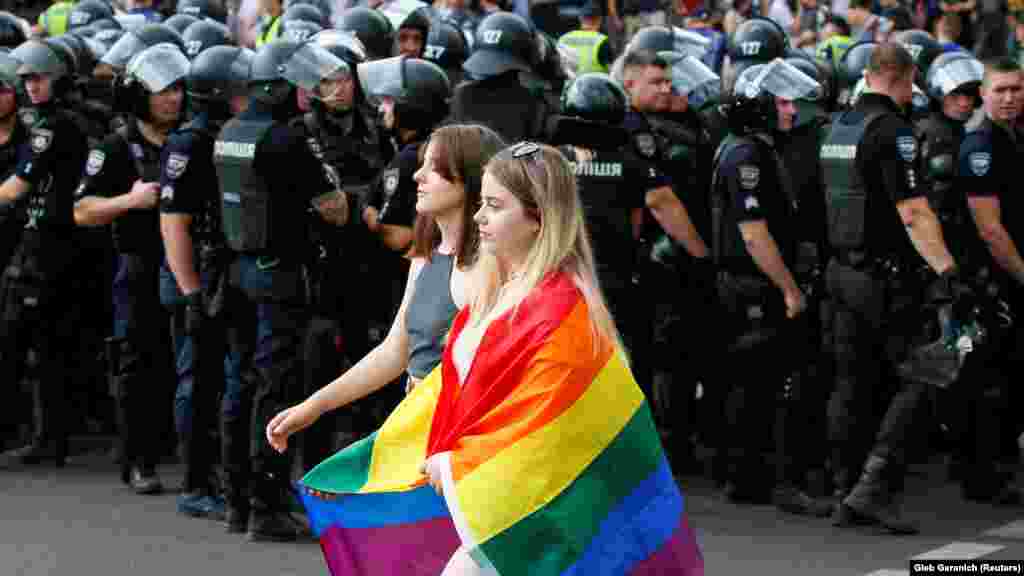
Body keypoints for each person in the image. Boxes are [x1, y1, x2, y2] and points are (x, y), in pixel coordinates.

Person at [275, 141, 704, 576]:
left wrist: (453, 462)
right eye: (482, 203)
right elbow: (449, 395)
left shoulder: (558, 308)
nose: (479, 217)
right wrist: (371, 464)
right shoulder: (500, 292)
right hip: (501, 512)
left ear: (539, 217)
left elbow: (546, 430)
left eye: (495, 206)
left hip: (536, 524)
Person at [262, 122, 504, 454]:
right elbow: (395, 351)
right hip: (423, 434)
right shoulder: (424, 260)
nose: (417, 176)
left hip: (460, 447)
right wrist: (313, 406)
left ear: (469, 178)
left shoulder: (489, 266)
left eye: (434, 167)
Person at [213, 38, 351, 541]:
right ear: (277, 85)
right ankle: (267, 504)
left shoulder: (231, 130)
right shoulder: (285, 138)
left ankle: (235, 501)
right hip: (280, 276)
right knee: (276, 389)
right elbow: (335, 207)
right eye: (300, 82)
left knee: (241, 384)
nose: (309, 92)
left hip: (238, 273)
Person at [823, 43, 960, 534]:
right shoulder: (894, 131)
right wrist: (947, 269)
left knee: (851, 384)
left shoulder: (839, 126)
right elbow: (913, 211)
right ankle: (872, 492)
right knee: (928, 371)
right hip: (884, 278)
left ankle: (844, 491)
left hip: (840, 272)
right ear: (902, 79)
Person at [74, 42, 190, 494]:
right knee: (137, 364)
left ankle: (186, 457)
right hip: (139, 266)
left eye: (177, 89)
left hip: (186, 265)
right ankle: (139, 460)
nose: (172, 98)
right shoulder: (115, 146)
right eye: (162, 91)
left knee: (183, 362)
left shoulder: (190, 139)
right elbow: (83, 210)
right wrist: (130, 200)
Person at [709, 58, 819, 506]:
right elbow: (754, 234)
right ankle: (765, 480)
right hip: (754, 285)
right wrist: (789, 288)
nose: (791, 111)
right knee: (765, 383)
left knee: (750, 382)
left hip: (746, 283)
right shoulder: (746, 155)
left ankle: (746, 478)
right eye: (783, 102)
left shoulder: (744, 147)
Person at [160, 44, 253, 520]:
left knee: (228, 379)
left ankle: (225, 476)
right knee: (197, 382)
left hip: (223, 273)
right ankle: (197, 482)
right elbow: (174, 222)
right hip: (195, 276)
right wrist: (191, 291)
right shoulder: (190, 142)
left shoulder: (229, 135)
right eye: (240, 91)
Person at [0, 41, 83, 463]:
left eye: (40, 77)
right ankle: (47, 434)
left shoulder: (55, 127)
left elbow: (17, 187)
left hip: (54, 247)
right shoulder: (49, 120)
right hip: (43, 243)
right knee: (41, 343)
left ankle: (51, 437)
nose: (32, 86)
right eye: (27, 78)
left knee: (41, 344)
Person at [961, 57, 1024, 505]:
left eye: (1016, 90)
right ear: (983, 93)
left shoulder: (1012, 137)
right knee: (992, 381)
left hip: (1011, 277)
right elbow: (989, 228)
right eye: (1000, 90)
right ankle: (984, 475)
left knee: (1011, 378)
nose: (1009, 98)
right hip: (993, 282)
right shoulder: (981, 143)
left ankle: (998, 468)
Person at [557, 1, 614, 75]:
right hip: (594, 84)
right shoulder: (602, 40)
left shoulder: (563, 39)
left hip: (570, 85)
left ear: (580, 19)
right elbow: (612, 71)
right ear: (599, 20)